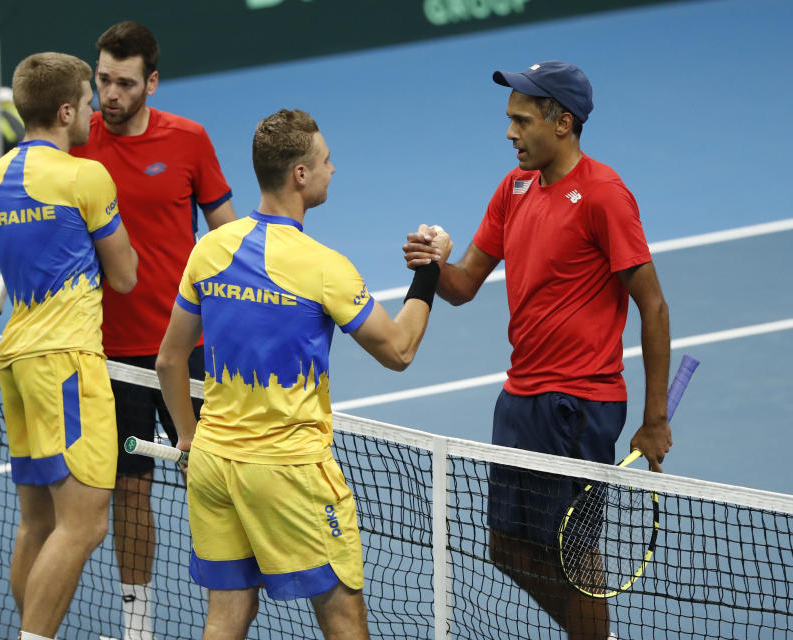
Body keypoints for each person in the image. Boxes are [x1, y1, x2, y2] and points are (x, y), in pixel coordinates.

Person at [155, 108, 449, 640]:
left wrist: (190, 437)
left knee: (227, 614)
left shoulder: (209, 249)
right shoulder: (324, 267)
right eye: (326, 160)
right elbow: (400, 350)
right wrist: (430, 271)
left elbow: (170, 360)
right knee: (343, 618)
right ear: (300, 175)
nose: (333, 169)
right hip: (288, 472)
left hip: (214, 466)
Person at [403, 61, 671, 640]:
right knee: (507, 547)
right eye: (509, 120)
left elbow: (653, 305)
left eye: (522, 121)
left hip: (579, 401)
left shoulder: (604, 196)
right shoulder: (514, 188)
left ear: (563, 123)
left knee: (571, 557)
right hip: (520, 396)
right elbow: (465, 284)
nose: (510, 133)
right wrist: (431, 268)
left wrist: (654, 419)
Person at [0, 52, 137, 640]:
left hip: (15, 360)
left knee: (36, 525)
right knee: (83, 526)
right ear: (65, 111)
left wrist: (26, 242)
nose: (93, 111)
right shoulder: (85, 178)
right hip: (66, 363)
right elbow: (126, 274)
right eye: (88, 101)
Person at [68, 21, 236, 640]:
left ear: (151, 83)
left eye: (125, 83)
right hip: (110, 355)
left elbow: (225, 231)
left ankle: (228, 611)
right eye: (102, 79)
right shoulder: (73, 142)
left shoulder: (189, 141)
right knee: (129, 490)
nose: (110, 94)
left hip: (188, 349)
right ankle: (137, 625)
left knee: (212, 480)